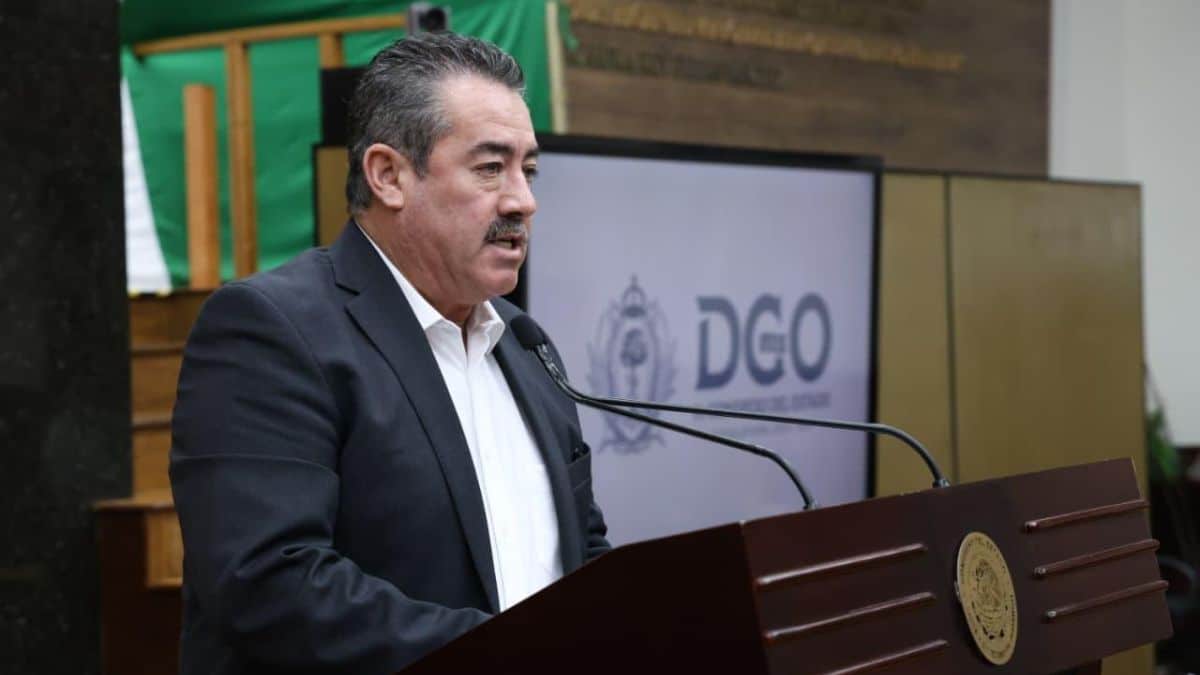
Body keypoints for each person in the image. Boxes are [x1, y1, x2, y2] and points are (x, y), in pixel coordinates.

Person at [169, 32, 610, 675]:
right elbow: (266, 583)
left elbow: (578, 546)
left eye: (529, 170)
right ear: (388, 176)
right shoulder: (272, 331)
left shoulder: (523, 343)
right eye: (491, 168)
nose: (523, 200)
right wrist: (511, 653)